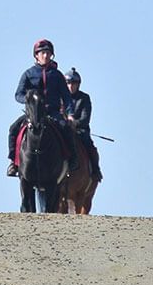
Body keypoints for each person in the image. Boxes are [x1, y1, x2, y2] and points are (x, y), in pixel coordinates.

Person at [6, 39, 78, 176]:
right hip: (33, 115)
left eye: (48, 53)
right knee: (13, 128)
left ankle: (71, 160)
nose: (46, 56)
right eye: (43, 53)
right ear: (36, 56)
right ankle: (13, 163)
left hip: (53, 113)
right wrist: (28, 100)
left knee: (66, 129)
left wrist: (70, 115)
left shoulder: (57, 75)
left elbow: (67, 97)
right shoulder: (28, 74)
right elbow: (18, 95)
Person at [65, 68, 103, 181]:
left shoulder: (84, 98)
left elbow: (85, 119)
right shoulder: (60, 98)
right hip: (63, 129)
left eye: (74, 83)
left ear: (78, 85)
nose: (71, 86)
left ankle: (95, 170)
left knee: (89, 146)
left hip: (80, 131)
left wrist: (73, 124)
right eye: (68, 83)